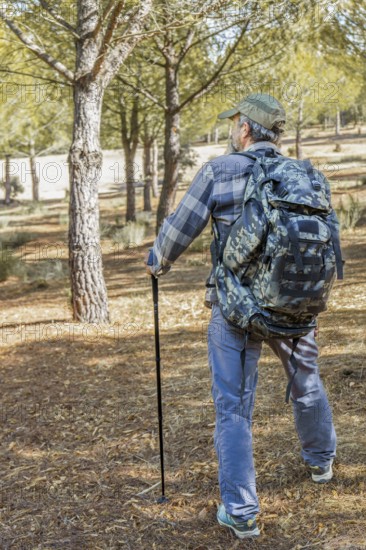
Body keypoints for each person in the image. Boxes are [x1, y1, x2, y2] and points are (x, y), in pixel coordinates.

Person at [144, 93, 336, 540]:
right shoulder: (305, 175)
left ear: (245, 129)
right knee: (306, 379)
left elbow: (179, 230)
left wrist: (156, 261)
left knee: (233, 408)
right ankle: (320, 461)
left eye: (235, 123)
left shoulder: (221, 170)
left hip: (235, 311)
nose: (233, 129)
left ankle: (242, 510)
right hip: (293, 305)